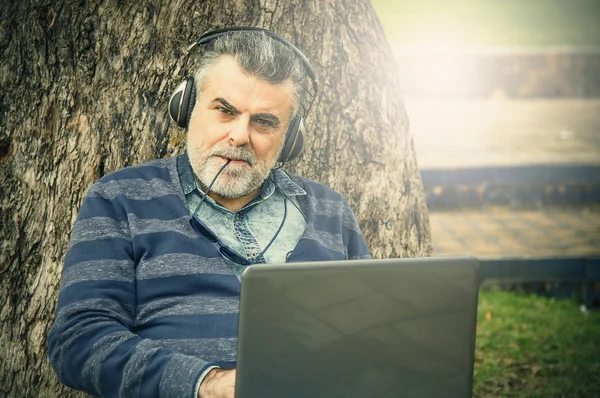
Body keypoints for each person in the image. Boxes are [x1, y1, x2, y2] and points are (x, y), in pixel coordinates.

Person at [48, 28, 370, 398]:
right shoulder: (120, 198)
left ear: (291, 138)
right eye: (224, 110)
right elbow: (78, 339)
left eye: (264, 122)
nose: (239, 135)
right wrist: (204, 383)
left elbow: (371, 331)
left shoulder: (331, 211)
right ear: (185, 106)